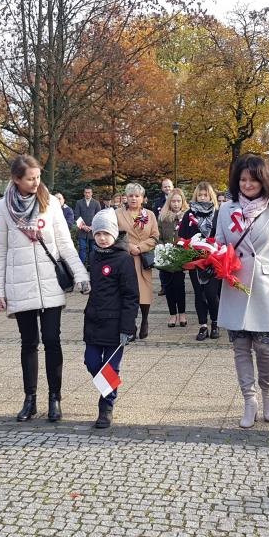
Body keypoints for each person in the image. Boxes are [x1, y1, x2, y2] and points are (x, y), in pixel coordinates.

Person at [0, 154, 90, 423]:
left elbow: (65, 244)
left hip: (49, 284)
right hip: (19, 284)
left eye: (38, 177)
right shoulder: (2, 209)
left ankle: (54, 398)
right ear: (16, 179)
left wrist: (81, 273)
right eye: (30, 178)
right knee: (28, 343)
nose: (36, 182)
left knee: (52, 340)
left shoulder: (50, 204)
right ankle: (30, 399)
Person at [215, 154, 269, 428]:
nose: (247, 184)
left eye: (252, 179)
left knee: (264, 347)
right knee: (240, 347)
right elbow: (218, 246)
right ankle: (249, 399)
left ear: (263, 180)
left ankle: (267, 390)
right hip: (236, 286)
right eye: (242, 179)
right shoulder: (227, 209)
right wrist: (209, 262)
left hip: (266, 288)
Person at [83, 209, 138, 428]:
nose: (102, 238)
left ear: (114, 233)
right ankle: (109, 389)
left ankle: (106, 405)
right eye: (98, 234)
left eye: (106, 233)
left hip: (116, 324)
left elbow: (131, 295)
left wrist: (128, 327)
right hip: (94, 321)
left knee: (111, 367)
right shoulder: (94, 255)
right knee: (92, 361)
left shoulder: (124, 259)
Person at [116, 182, 159, 340]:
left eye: (137, 196)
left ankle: (145, 320)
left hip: (143, 259)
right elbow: (114, 235)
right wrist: (129, 247)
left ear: (142, 198)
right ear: (126, 197)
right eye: (131, 195)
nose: (133, 198)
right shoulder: (117, 214)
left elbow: (155, 236)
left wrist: (140, 247)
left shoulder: (150, 215)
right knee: (128, 293)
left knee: (145, 292)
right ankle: (130, 325)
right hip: (125, 259)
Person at [178, 181, 221, 340]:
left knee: (211, 293)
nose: (203, 197)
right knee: (199, 293)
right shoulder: (188, 214)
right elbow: (182, 236)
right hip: (194, 260)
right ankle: (203, 325)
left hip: (214, 260)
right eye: (200, 195)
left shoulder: (217, 213)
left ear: (211, 196)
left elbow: (223, 236)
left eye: (206, 195)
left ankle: (215, 323)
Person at [158, 188, 188, 329]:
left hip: (181, 256)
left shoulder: (187, 217)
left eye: (178, 201)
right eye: (173, 201)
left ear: (182, 202)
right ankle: (172, 314)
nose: (176, 204)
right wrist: (165, 250)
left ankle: (182, 313)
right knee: (168, 286)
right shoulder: (163, 218)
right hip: (166, 256)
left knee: (179, 286)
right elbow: (158, 237)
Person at [74, 187, 101, 265]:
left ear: (92, 193)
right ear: (84, 193)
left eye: (89, 192)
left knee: (92, 249)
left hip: (93, 230)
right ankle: (81, 267)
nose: (87, 194)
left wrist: (92, 227)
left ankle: (91, 266)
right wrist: (83, 226)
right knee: (82, 249)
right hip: (82, 230)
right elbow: (76, 216)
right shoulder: (79, 202)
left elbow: (98, 216)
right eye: (86, 192)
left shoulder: (96, 203)